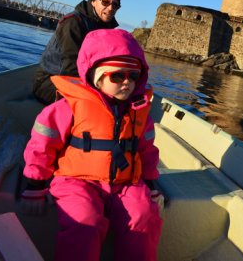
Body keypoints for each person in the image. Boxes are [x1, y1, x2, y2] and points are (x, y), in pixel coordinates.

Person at [21, 29, 163, 261]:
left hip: (125, 182)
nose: (127, 82)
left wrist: (150, 182)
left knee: (144, 216)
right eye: (117, 76)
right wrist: (35, 185)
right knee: (85, 221)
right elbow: (42, 144)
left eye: (133, 76)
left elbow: (146, 151)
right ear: (96, 76)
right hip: (76, 180)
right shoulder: (67, 108)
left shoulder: (140, 114)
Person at [32, 0, 121, 105]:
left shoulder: (106, 30)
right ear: (94, 1)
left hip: (81, 80)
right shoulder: (73, 23)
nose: (111, 8)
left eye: (115, 5)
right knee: (95, 104)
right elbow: (71, 68)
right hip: (50, 82)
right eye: (105, 2)